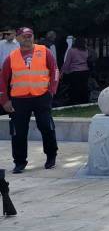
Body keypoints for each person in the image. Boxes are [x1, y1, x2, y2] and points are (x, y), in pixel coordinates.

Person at [0, 27, 59, 173]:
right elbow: (2, 80)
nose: (27, 38)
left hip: (41, 97)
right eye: (24, 36)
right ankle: (19, 162)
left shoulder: (45, 51)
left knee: (46, 126)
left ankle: (51, 156)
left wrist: (52, 91)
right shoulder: (11, 57)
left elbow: (55, 71)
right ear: (18, 38)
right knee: (18, 132)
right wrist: (5, 100)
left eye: (30, 35)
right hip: (19, 100)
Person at [61, 37, 91, 105]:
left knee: (74, 88)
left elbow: (67, 62)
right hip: (85, 71)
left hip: (75, 71)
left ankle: (74, 101)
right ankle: (84, 100)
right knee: (84, 87)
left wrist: (63, 71)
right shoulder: (86, 50)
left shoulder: (71, 51)